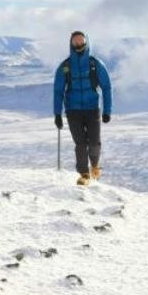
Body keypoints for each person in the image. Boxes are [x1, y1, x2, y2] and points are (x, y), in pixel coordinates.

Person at [52, 30, 113, 185]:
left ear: (86, 42)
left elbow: (107, 87)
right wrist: (57, 114)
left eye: (81, 41)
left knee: (94, 142)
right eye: (76, 41)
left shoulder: (95, 64)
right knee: (80, 143)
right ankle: (84, 174)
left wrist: (107, 111)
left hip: (92, 109)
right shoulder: (65, 67)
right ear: (71, 43)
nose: (79, 43)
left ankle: (94, 165)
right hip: (73, 111)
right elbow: (58, 91)